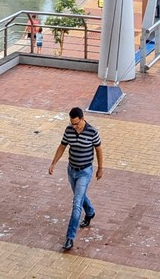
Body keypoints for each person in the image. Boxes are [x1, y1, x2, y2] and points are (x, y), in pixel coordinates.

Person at [48, 106, 103, 253]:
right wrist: (53, 163)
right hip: (71, 170)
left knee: (76, 203)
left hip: (85, 171)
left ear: (83, 119)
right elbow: (62, 146)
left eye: (76, 124)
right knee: (80, 196)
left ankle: (69, 238)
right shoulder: (69, 130)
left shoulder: (92, 132)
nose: (74, 126)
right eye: (72, 123)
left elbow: (98, 149)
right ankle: (90, 212)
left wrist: (100, 168)